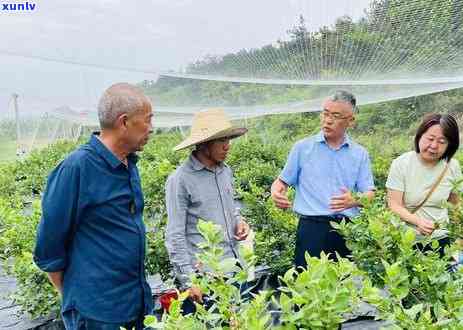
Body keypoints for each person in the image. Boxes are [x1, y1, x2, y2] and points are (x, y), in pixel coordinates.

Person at [34, 83, 154, 330]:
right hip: (97, 313)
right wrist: (77, 297)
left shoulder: (128, 164)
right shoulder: (76, 168)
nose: (151, 128)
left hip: (134, 302)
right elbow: (49, 247)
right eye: (148, 120)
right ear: (124, 122)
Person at [271, 90, 375, 269]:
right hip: (311, 229)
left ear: (350, 121)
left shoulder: (359, 154)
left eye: (336, 116)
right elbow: (282, 181)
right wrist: (276, 191)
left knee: (342, 288)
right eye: (325, 113)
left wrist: (355, 200)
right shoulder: (302, 148)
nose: (328, 120)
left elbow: (370, 193)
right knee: (306, 286)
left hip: (345, 229)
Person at [165, 108, 250, 311]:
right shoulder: (180, 180)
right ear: (203, 144)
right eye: (220, 140)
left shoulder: (225, 171)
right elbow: (174, 235)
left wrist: (239, 221)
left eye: (228, 139)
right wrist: (189, 279)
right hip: (205, 278)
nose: (227, 146)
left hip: (235, 269)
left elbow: (232, 208)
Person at [386, 113, 461, 256]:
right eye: (430, 138)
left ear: (450, 144)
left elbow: (456, 206)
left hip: (441, 240)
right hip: (406, 240)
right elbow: (394, 204)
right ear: (420, 136)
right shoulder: (402, 164)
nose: (433, 146)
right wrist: (418, 221)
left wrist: (458, 239)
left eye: (442, 141)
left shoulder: (452, 166)